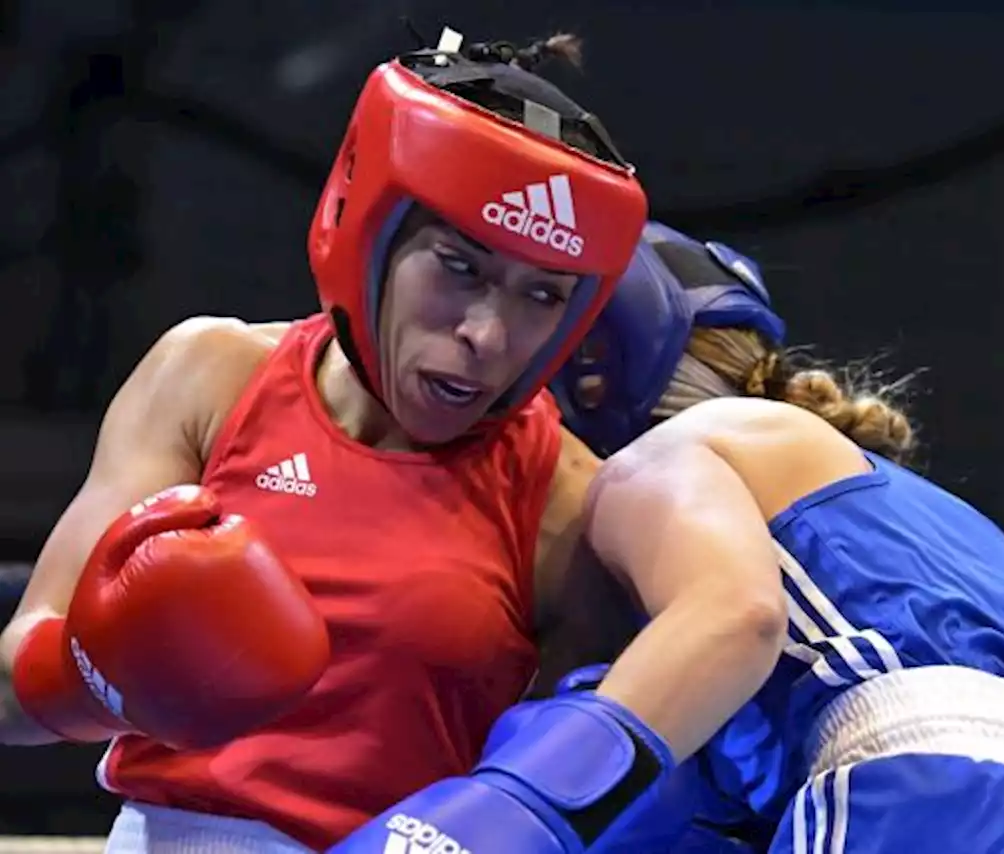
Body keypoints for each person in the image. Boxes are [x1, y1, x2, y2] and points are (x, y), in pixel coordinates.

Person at [330, 222, 1004, 853]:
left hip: (928, 797)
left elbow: (728, 621)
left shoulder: (665, 459)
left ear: (585, 378)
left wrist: (487, 817)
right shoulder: (921, 506)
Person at [0, 28, 665, 852]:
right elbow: (9, 695)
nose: (489, 336)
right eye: (459, 267)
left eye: (541, 295)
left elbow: (574, 792)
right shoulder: (210, 378)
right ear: (373, 232)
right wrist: (98, 680)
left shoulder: (568, 496)